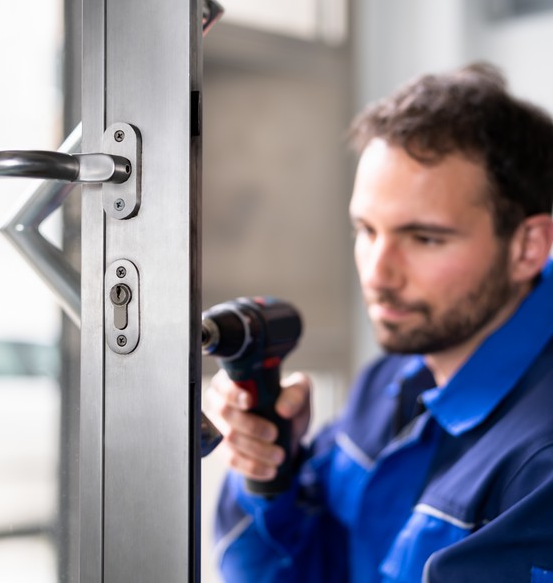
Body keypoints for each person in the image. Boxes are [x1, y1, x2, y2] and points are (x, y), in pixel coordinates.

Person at [205, 62, 553, 582]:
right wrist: (272, 471)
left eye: (425, 238)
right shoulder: (388, 381)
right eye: (366, 230)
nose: (378, 273)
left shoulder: (540, 463)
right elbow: (290, 569)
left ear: (528, 247)